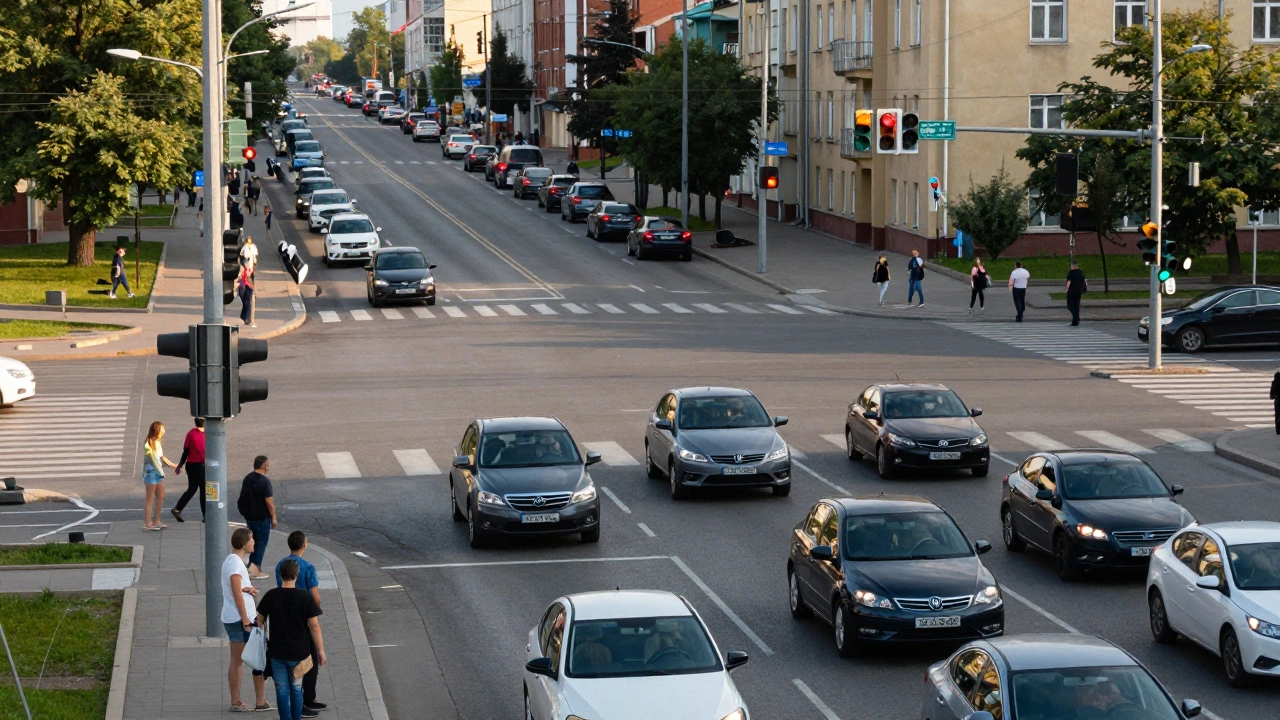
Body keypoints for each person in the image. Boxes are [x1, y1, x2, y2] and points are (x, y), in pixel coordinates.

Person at [256, 559, 325, 720]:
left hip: (277, 651)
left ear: (280, 575)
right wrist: (320, 650)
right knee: (296, 688)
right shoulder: (304, 597)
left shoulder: (271, 595)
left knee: (281, 689)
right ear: (296, 574)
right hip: (299, 652)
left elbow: (259, 620)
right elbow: (314, 626)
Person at [275, 532, 325, 715]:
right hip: (305, 615)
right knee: (310, 659)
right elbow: (315, 596)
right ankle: (307, 700)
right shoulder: (308, 566)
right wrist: (317, 609)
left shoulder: (281, 564)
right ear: (305, 544)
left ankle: (302, 703)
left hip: (284, 615)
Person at [223, 527, 269, 713]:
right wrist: (245, 620)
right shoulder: (235, 565)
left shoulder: (232, 561)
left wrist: (248, 589)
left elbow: (237, 589)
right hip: (240, 619)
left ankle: (252, 700)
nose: (254, 542)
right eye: (251, 539)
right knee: (249, 659)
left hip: (235, 617)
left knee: (240, 660)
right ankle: (239, 701)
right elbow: (235, 593)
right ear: (243, 543)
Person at [237, 456, 276, 579]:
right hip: (262, 518)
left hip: (250, 516)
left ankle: (248, 567)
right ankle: (255, 569)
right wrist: (274, 517)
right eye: (268, 464)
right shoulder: (265, 481)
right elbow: (269, 502)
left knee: (251, 542)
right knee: (260, 544)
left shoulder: (248, 478)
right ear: (265, 465)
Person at [142, 421, 178, 531]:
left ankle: (156, 520)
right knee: (150, 498)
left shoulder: (157, 442)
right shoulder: (149, 443)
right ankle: (148, 524)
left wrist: (172, 465)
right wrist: (162, 470)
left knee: (161, 496)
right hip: (151, 472)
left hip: (158, 472)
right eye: (162, 429)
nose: (164, 431)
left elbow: (161, 457)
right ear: (157, 430)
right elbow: (153, 460)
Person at [171, 417, 206, 523]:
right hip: (201, 465)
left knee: (192, 488)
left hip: (191, 465)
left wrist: (180, 466)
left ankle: (177, 509)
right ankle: (206, 516)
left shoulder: (191, 434)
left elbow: (186, 451)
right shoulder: (208, 434)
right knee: (204, 490)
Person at [1065, 261, 1087, 326]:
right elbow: (1084, 281)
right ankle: (1075, 322)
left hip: (1071, 291)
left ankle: (1076, 318)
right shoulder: (1080, 272)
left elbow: (1069, 281)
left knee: (1069, 305)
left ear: (1073, 265)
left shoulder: (1071, 272)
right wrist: (1085, 288)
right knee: (1076, 306)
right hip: (1079, 291)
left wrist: (1066, 288)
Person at [238, 263, 256, 327]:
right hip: (243, 283)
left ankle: (246, 318)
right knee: (245, 302)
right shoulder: (243, 261)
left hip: (248, 283)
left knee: (247, 302)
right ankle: (245, 318)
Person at [1271, 370, 1280, 435]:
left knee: (1278, 416)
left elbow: (1272, 395)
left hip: (1277, 401)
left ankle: (1278, 430)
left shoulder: (1274, 383)